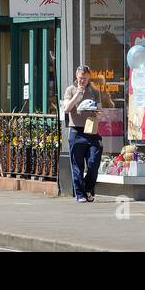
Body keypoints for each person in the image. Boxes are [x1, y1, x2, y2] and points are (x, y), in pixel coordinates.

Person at [61, 65, 102, 203]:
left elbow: (100, 111)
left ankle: (88, 188)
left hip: (91, 131)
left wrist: (95, 112)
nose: (82, 81)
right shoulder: (70, 90)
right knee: (77, 165)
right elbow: (66, 108)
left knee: (93, 162)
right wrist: (78, 93)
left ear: (89, 77)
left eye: (85, 78)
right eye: (80, 78)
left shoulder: (94, 91)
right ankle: (80, 194)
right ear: (76, 77)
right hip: (76, 131)